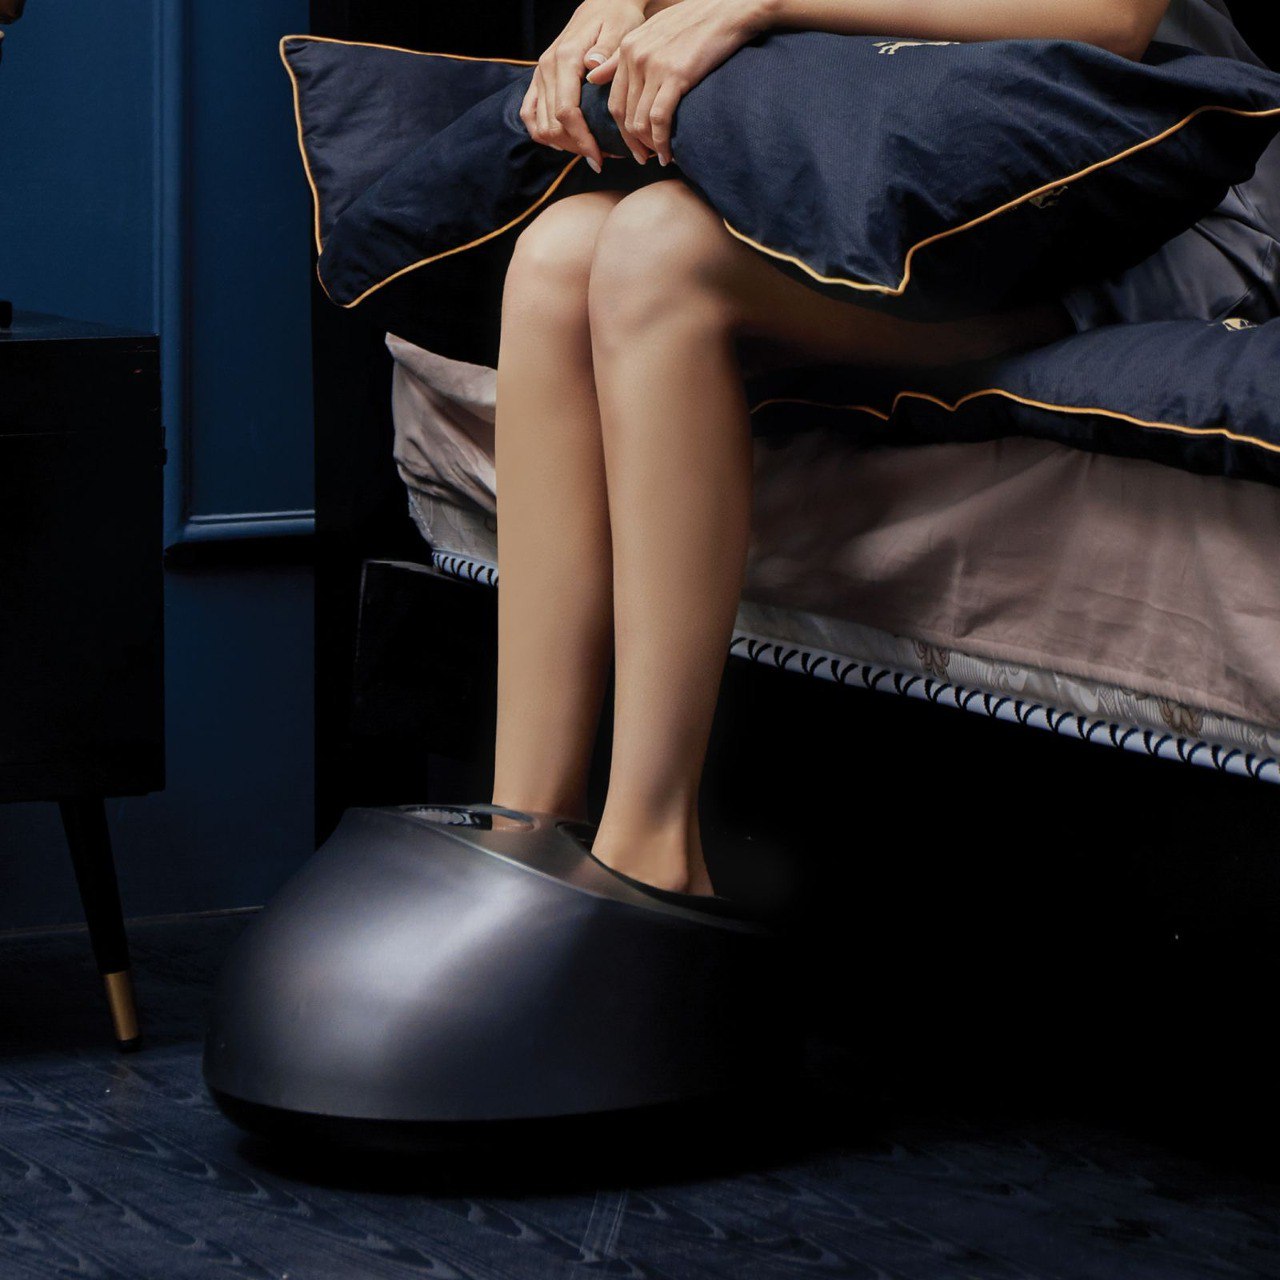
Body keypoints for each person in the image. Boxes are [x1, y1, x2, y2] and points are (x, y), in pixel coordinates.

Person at [487, 0, 1274, 897]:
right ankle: (521, 841)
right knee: (555, 260)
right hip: (892, 169)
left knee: (656, 253)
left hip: (1141, 194)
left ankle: (649, 856)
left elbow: (1111, 19)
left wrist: (757, 2)